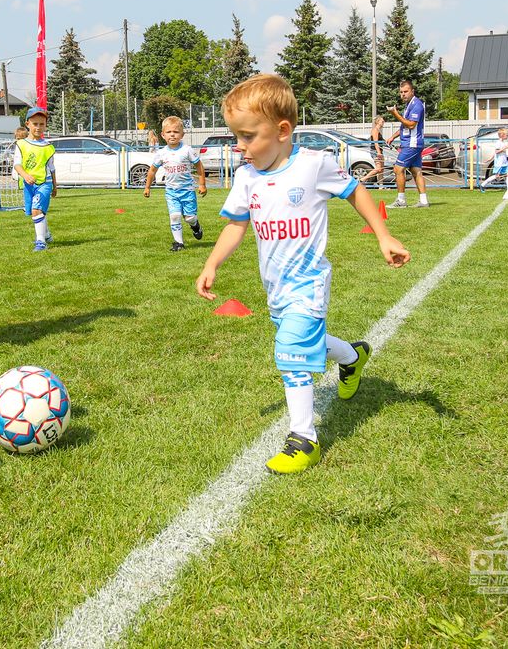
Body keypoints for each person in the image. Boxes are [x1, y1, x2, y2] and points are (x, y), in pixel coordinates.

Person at [196, 74, 410, 475]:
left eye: (247, 136)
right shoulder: (246, 177)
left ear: (282, 131)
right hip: (275, 287)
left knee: (290, 354)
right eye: (236, 137)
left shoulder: (314, 166)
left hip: (309, 282)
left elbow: (354, 191)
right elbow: (235, 225)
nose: (239, 147)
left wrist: (384, 235)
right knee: (305, 342)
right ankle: (352, 355)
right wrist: (211, 264)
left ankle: (303, 439)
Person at [143, 115, 206, 251]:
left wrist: (202, 184)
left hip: (187, 190)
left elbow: (199, 166)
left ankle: (196, 226)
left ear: (182, 134)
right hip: (171, 192)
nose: (172, 135)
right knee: (175, 215)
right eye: (169, 132)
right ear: (163, 135)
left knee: (190, 218)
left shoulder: (187, 150)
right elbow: (152, 171)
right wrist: (147, 187)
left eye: (176, 132)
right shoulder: (161, 153)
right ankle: (179, 243)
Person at [13, 107, 57, 251]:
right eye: (35, 124)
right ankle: (47, 234)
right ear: (27, 124)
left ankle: (41, 242)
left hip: (44, 183)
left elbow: (51, 168)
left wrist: (55, 186)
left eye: (41, 124)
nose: (38, 127)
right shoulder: (21, 144)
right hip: (28, 184)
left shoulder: (48, 147)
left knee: (36, 210)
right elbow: (17, 165)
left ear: (45, 125)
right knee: (35, 212)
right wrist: (25, 175)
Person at [387, 79, 429, 207]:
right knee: (416, 171)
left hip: (412, 144)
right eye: (401, 92)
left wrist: (395, 113)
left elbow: (411, 125)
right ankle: (423, 201)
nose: (403, 94)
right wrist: (393, 136)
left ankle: (401, 200)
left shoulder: (417, 105)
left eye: (406, 91)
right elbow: (405, 125)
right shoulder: (409, 105)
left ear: (412, 91)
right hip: (411, 143)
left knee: (398, 169)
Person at [356, 115, 387, 187]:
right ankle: (362, 179)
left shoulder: (378, 131)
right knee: (378, 169)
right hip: (375, 152)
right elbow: (376, 142)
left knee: (381, 170)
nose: (383, 122)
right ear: (378, 122)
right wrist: (378, 152)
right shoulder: (375, 130)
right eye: (382, 121)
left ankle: (381, 186)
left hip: (380, 151)